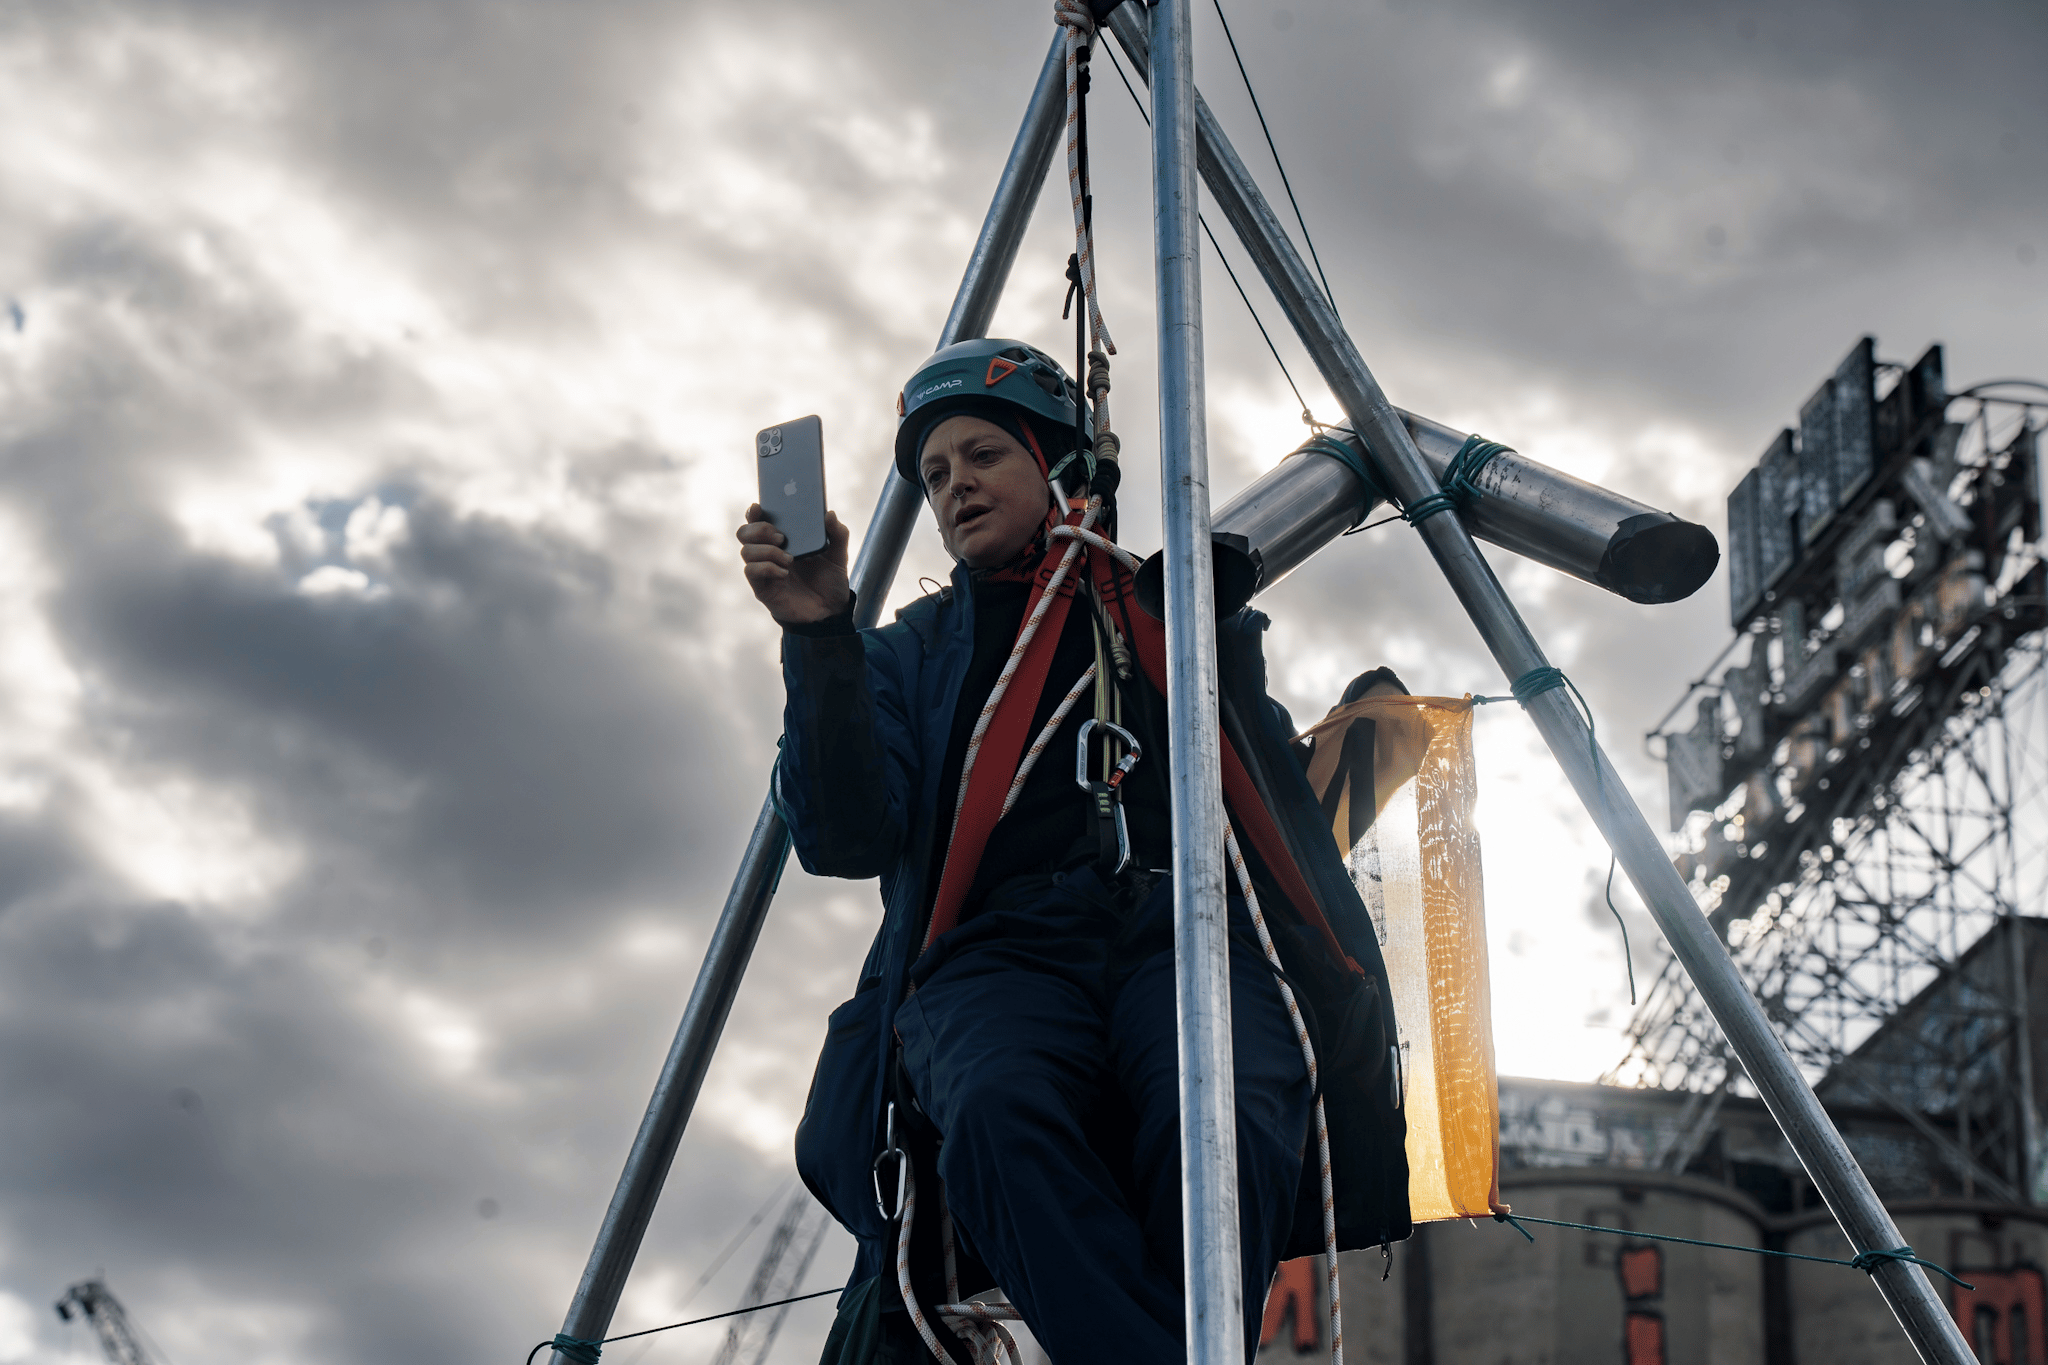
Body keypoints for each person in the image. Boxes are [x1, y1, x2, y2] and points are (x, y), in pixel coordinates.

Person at [737, 339, 1409, 1365]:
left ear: (1058, 464)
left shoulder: (1174, 612)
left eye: (980, 457)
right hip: (997, 950)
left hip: (1186, 931)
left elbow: (1272, 809)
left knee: (1220, 1109)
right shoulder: (903, 653)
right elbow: (842, 836)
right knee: (1001, 1109)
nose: (953, 486)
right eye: (932, 476)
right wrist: (821, 632)